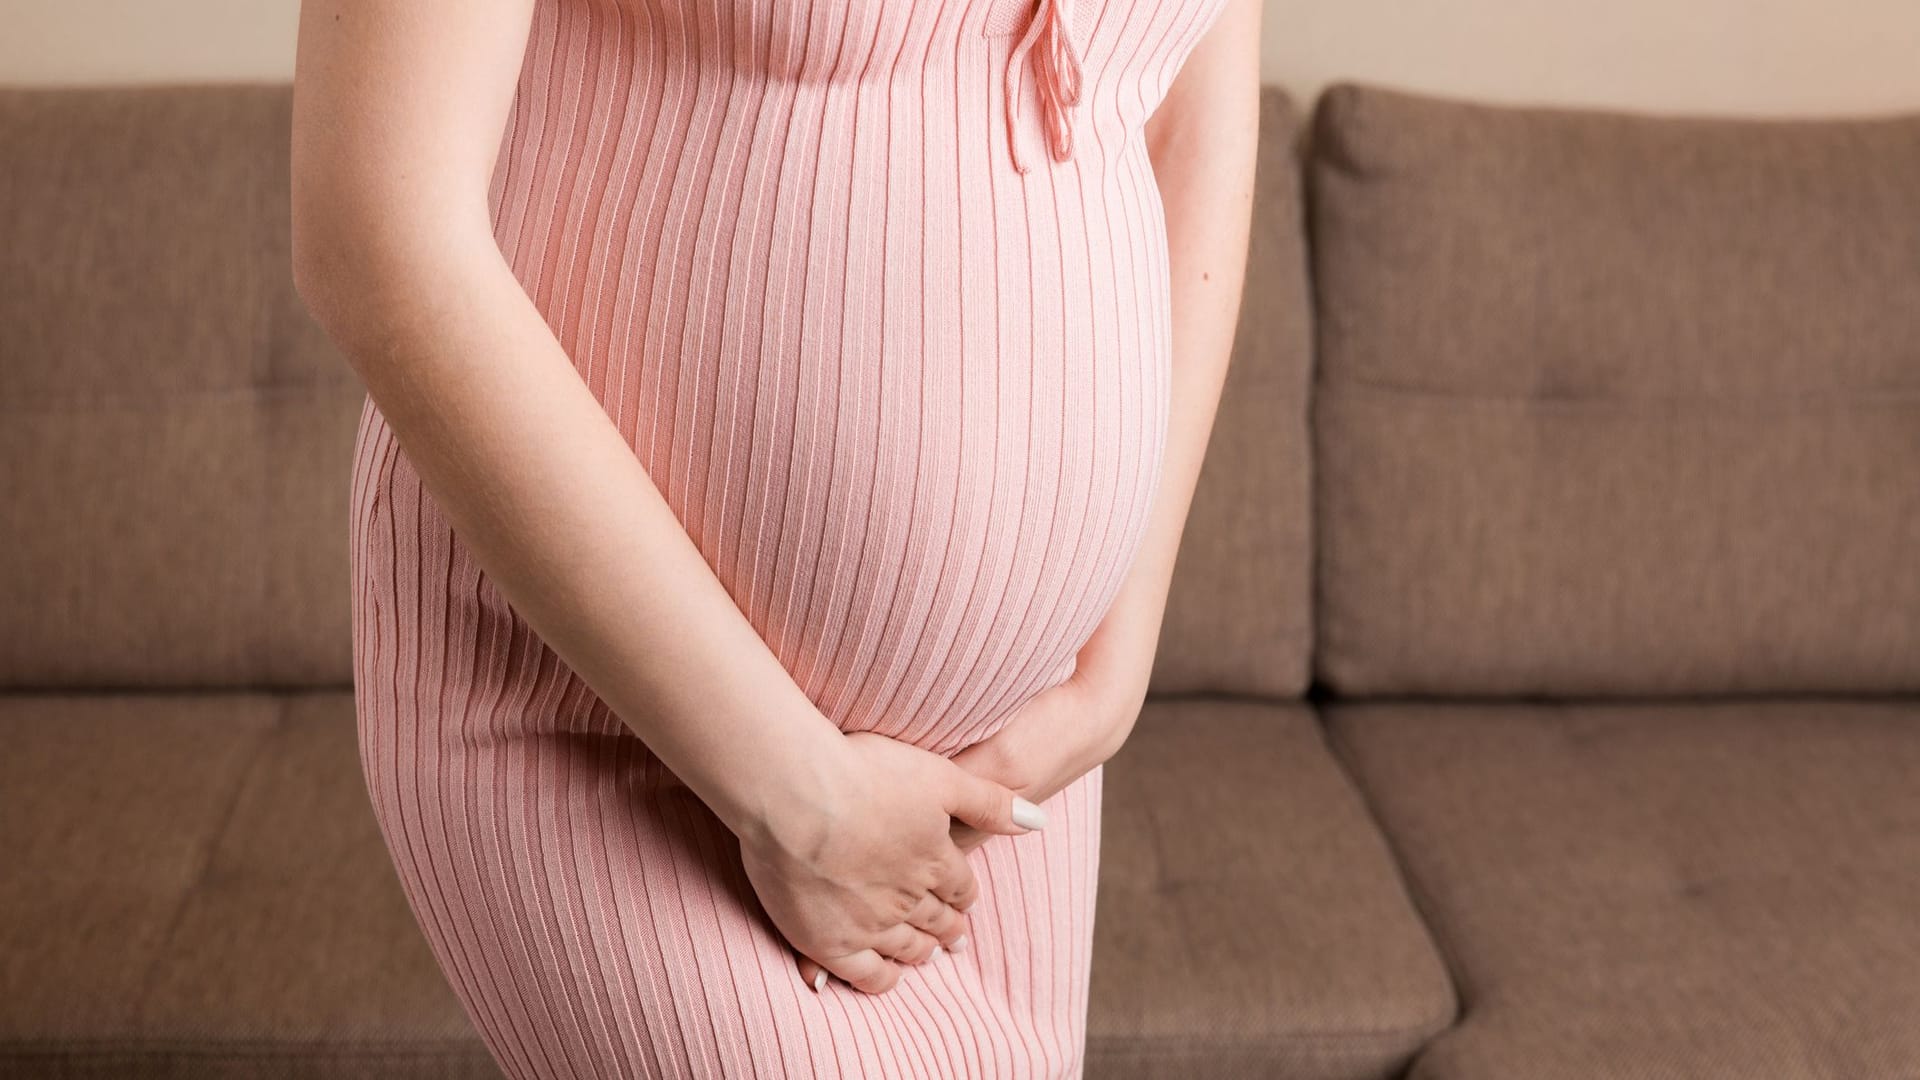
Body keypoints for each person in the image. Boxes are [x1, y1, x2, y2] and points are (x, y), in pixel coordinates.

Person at [289, 0, 1258, 1073]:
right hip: (599, 715)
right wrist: (798, 798)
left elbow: (1186, 125)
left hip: (1011, 752)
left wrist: (1110, 670)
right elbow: (375, 232)